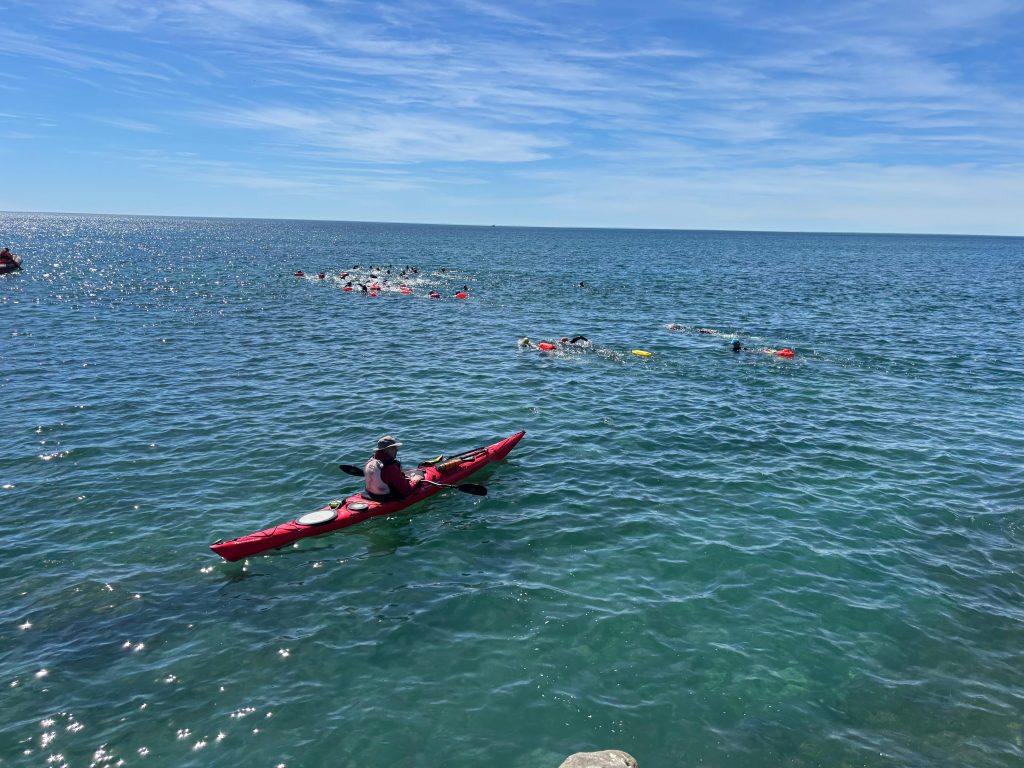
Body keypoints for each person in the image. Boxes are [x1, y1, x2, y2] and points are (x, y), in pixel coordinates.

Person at [363, 436, 424, 501]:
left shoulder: (370, 461)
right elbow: (406, 490)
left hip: (370, 494)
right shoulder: (390, 467)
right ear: (387, 450)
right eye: (394, 447)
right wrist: (414, 481)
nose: (397, 450)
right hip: (385, 497)